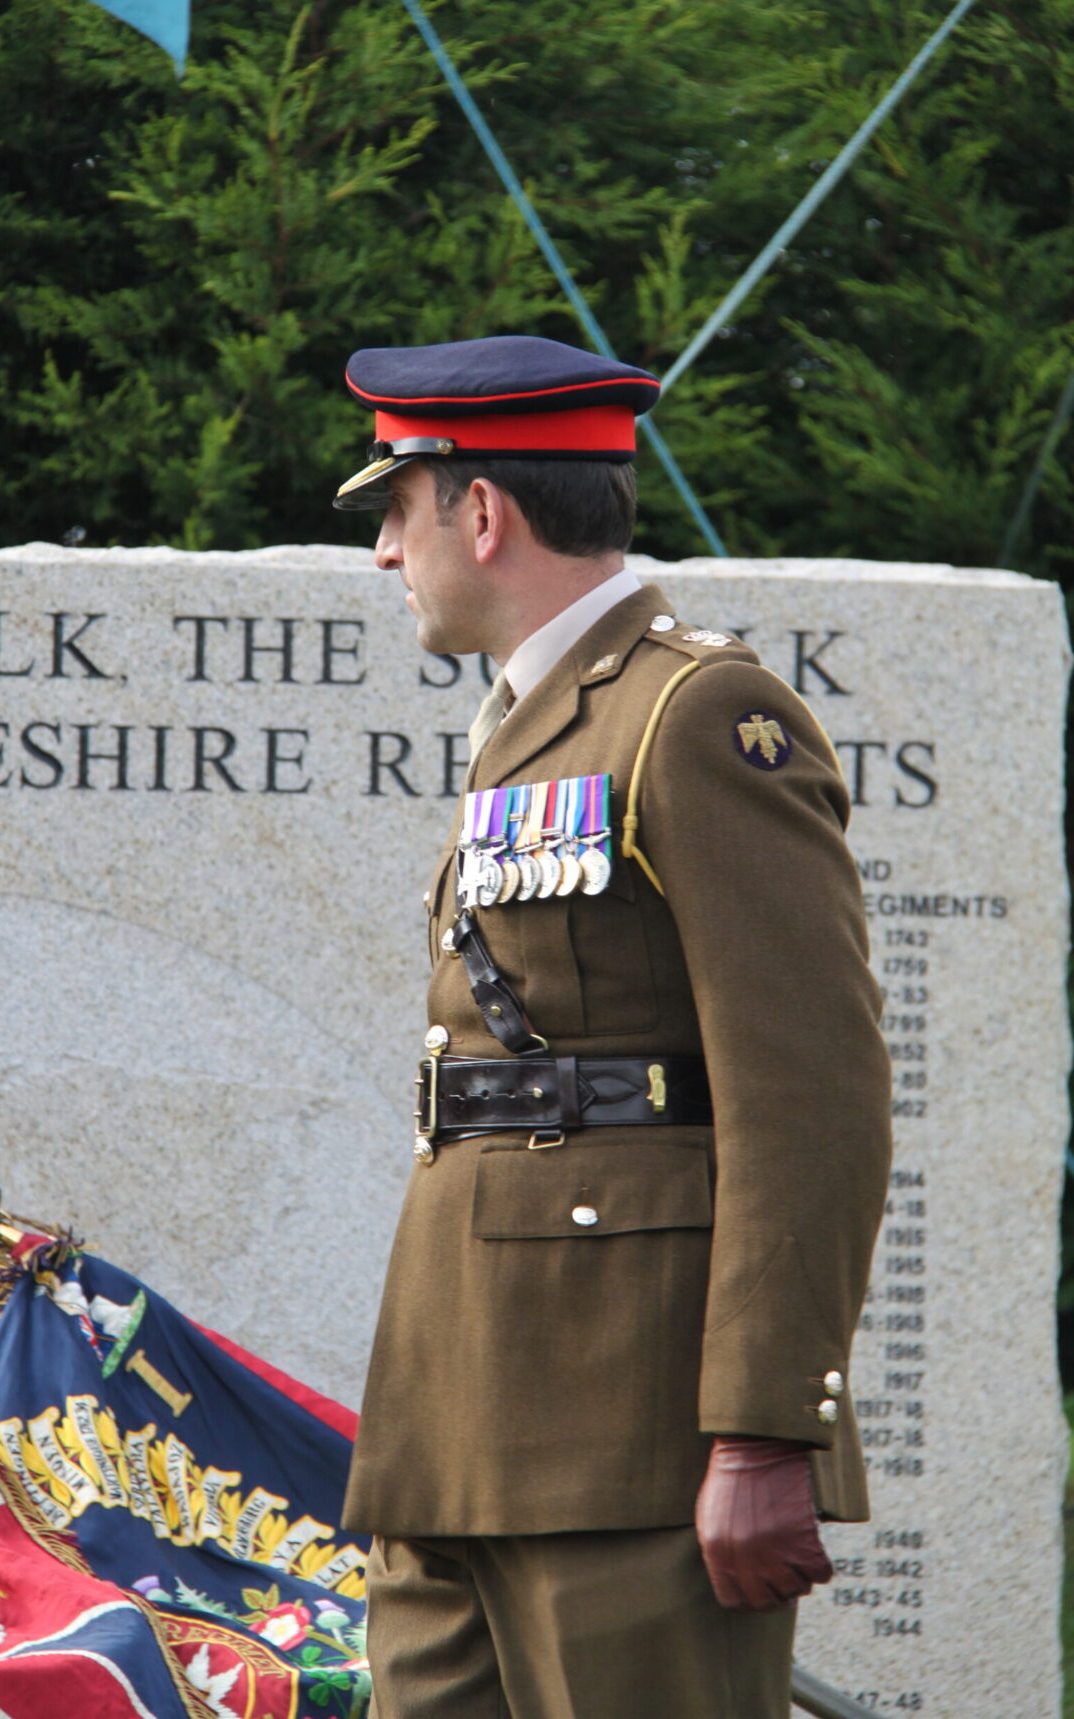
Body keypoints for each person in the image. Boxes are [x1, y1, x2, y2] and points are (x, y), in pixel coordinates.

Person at [333, 334, 892, 1719]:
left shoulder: (698, 714)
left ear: (481, 511)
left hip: (631, 1429)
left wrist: (765, 1429)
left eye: (396, 512)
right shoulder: (532, 720)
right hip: (457, 1410)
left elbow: (809, 1092)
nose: (386, 555)